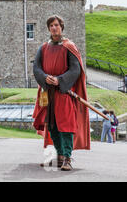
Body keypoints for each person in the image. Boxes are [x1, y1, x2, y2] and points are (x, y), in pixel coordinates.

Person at [32, 15, 90, 171]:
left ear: (61, 27)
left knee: (66, 126)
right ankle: (60, 156)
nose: (54, 28)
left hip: (64, 93)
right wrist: (45, 78)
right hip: (48, 94)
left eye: (56, 25)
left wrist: (59, 80)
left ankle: (67, 158)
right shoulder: (44, 47)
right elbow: (36, 68)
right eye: (51, 25)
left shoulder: (69, 46)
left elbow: (75, 69)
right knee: (52, 126)